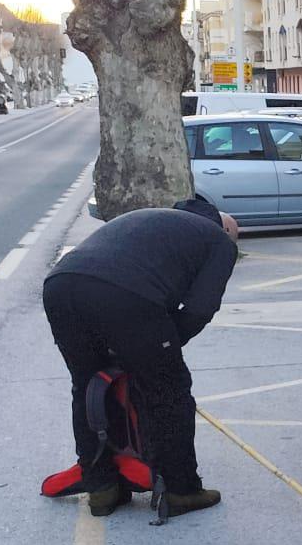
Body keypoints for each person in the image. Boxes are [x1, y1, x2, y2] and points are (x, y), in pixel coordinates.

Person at [42, 197, 237, 518]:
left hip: (61, 285)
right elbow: (200, 309)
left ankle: (102, 487)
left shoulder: (154, 221)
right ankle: (182, 490)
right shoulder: (219, 241)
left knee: (88, 385)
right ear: (225, 228)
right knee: (168, 390)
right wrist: (161, 350)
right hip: (125, 293)